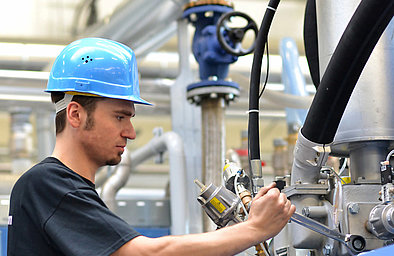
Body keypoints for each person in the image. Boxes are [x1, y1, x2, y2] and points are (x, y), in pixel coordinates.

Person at [7, 37, 295, 256]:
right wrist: (254, 229)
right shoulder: (47, 186)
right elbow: (147, 252)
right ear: (75, 114)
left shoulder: (66, 191)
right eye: (119, 116)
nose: (130, 133)